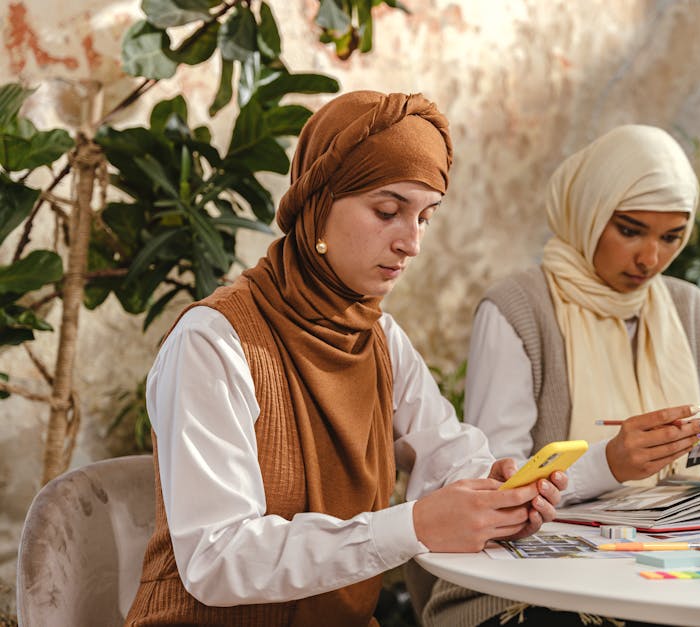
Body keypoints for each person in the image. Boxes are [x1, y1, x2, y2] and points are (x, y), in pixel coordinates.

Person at [124, 90, 566, 627]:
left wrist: (495, 489)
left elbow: (443, 450)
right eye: (388, 211)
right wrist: (414, 526)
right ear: (317, 204)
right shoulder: (213, 342)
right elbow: (216, 557)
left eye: (425, 217)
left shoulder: (378, 337)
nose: (412, 243)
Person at [415, 125, 700, 626]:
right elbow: (495, 484)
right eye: (631, 230)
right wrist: (609, 463)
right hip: (530, 587)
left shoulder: (690, 310)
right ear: (587, 212)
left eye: (672, 236)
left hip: (671, 573)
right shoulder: (519, 309)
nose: (650, 258)